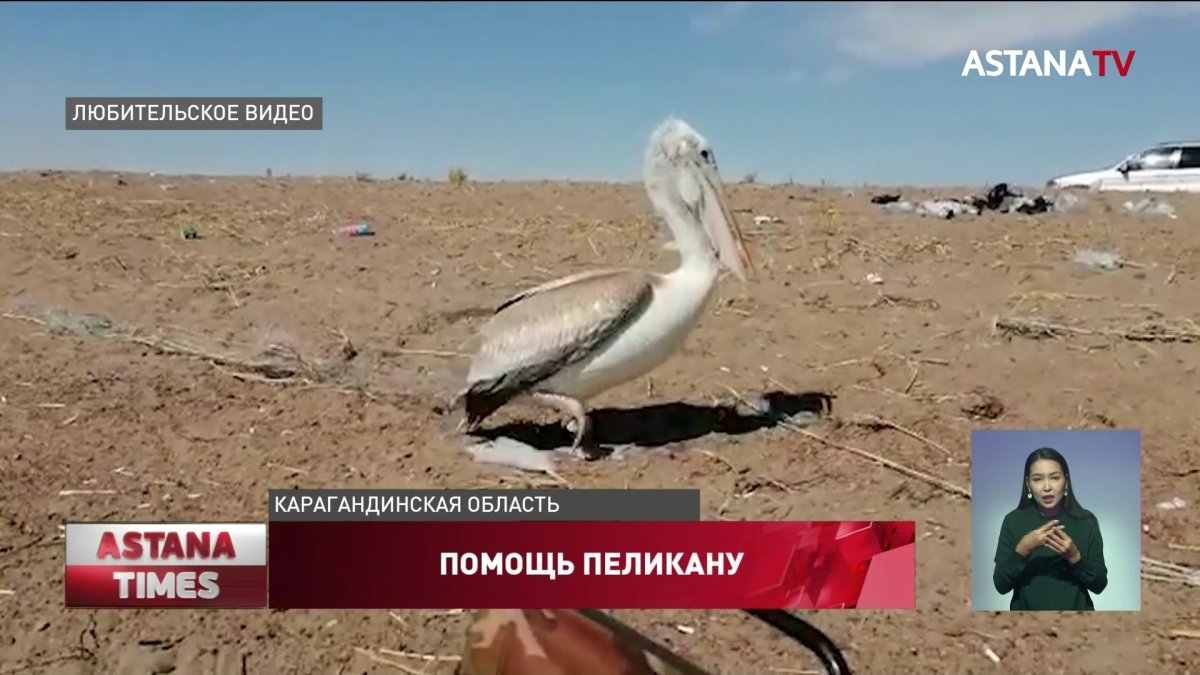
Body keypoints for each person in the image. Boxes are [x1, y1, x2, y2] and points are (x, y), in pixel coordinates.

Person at [992, 446, 1109, 611]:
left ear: (1066, 481)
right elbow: (1000, 585)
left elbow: (1099, 585)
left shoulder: (1086, 521)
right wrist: (1022, 550)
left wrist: (1074, 557)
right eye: (1038, 479)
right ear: (1028, 485)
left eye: (1054, 478)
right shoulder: (1012, 521)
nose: (1047, 487)